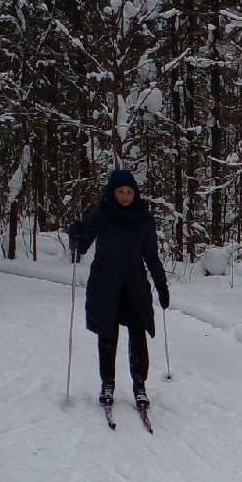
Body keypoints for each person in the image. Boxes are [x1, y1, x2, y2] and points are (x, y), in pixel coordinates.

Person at [69, 168, 169, 410]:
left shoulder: (143, 217)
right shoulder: (102, 214)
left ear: (135, 193)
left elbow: (151, 255)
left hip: (134, 283)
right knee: (107, 333)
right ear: (112, 193)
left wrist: (161, 284)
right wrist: (75, 235)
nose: (125, 196)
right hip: (105, 283)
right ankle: (107, 383)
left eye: (129, 192)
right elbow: (81, 248)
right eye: (120, 191)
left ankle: (139, 385)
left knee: (138, 332)